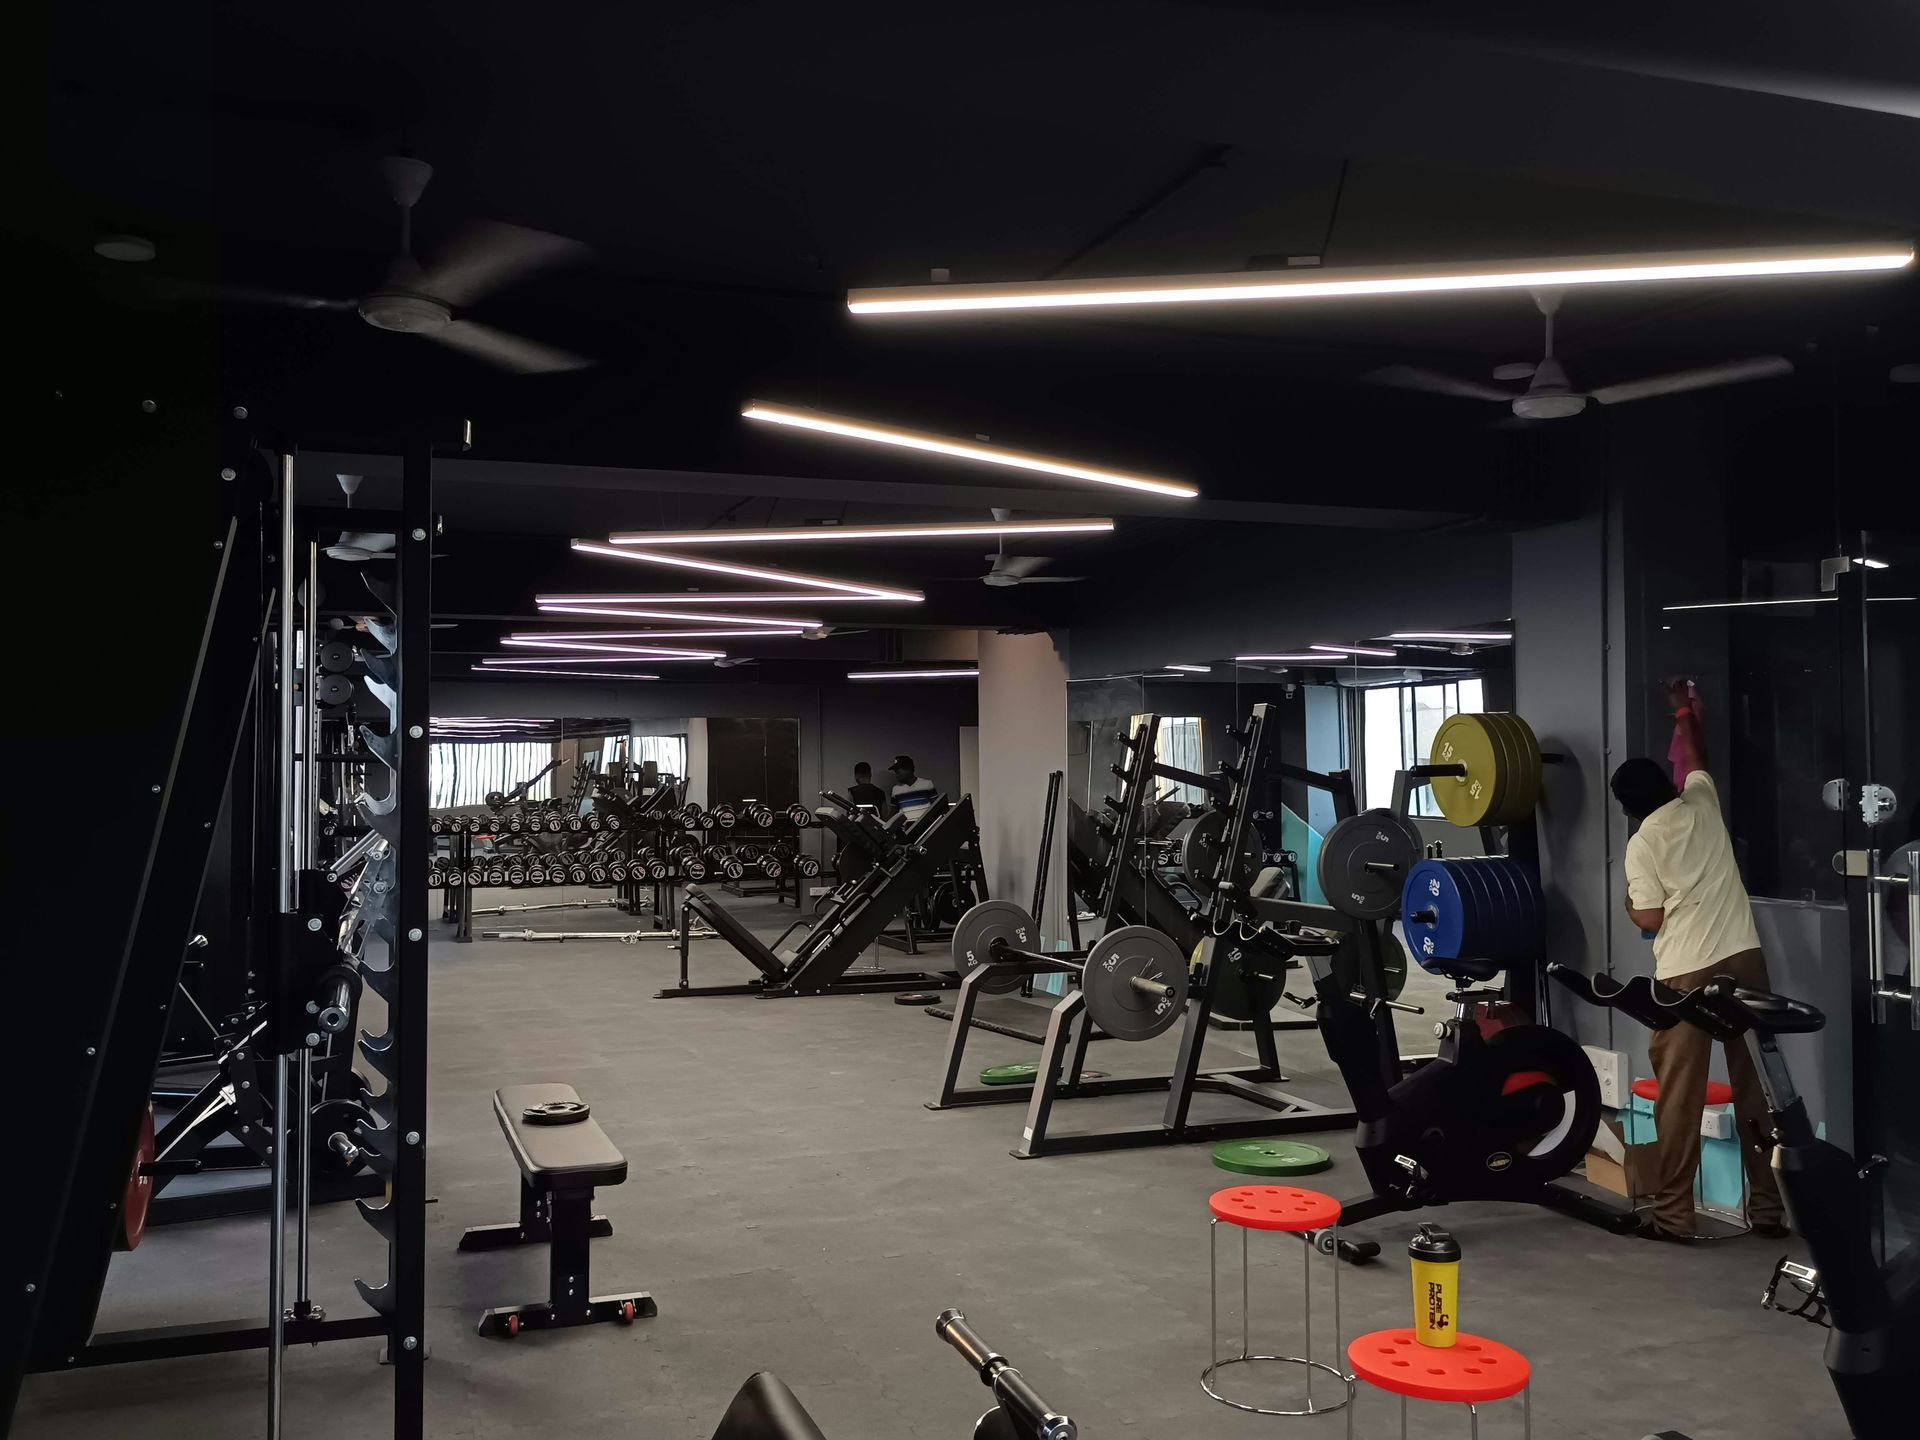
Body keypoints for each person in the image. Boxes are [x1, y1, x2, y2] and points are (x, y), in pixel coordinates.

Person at [1613, 681, 1787, 1244]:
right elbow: (1695, 753)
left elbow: (1649, 918)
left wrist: (1629, 903)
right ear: (1669, 785)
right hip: (1746, 959)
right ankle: (1768, 1212)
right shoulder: (1703, 803)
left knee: (1679, 1096)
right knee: (1757, 1086)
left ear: (1627, 807)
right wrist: (1685, 710)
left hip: (1687, 973)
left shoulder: (1643, 843)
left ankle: (1672, 1218)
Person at [886, 754, 938, 822]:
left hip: (926, 827)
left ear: (908, 770)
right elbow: (893, 814)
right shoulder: (896, 789)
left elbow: (937, 807)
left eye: (898, 772)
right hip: (906, 830)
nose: (896, 775)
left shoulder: (927, 784)